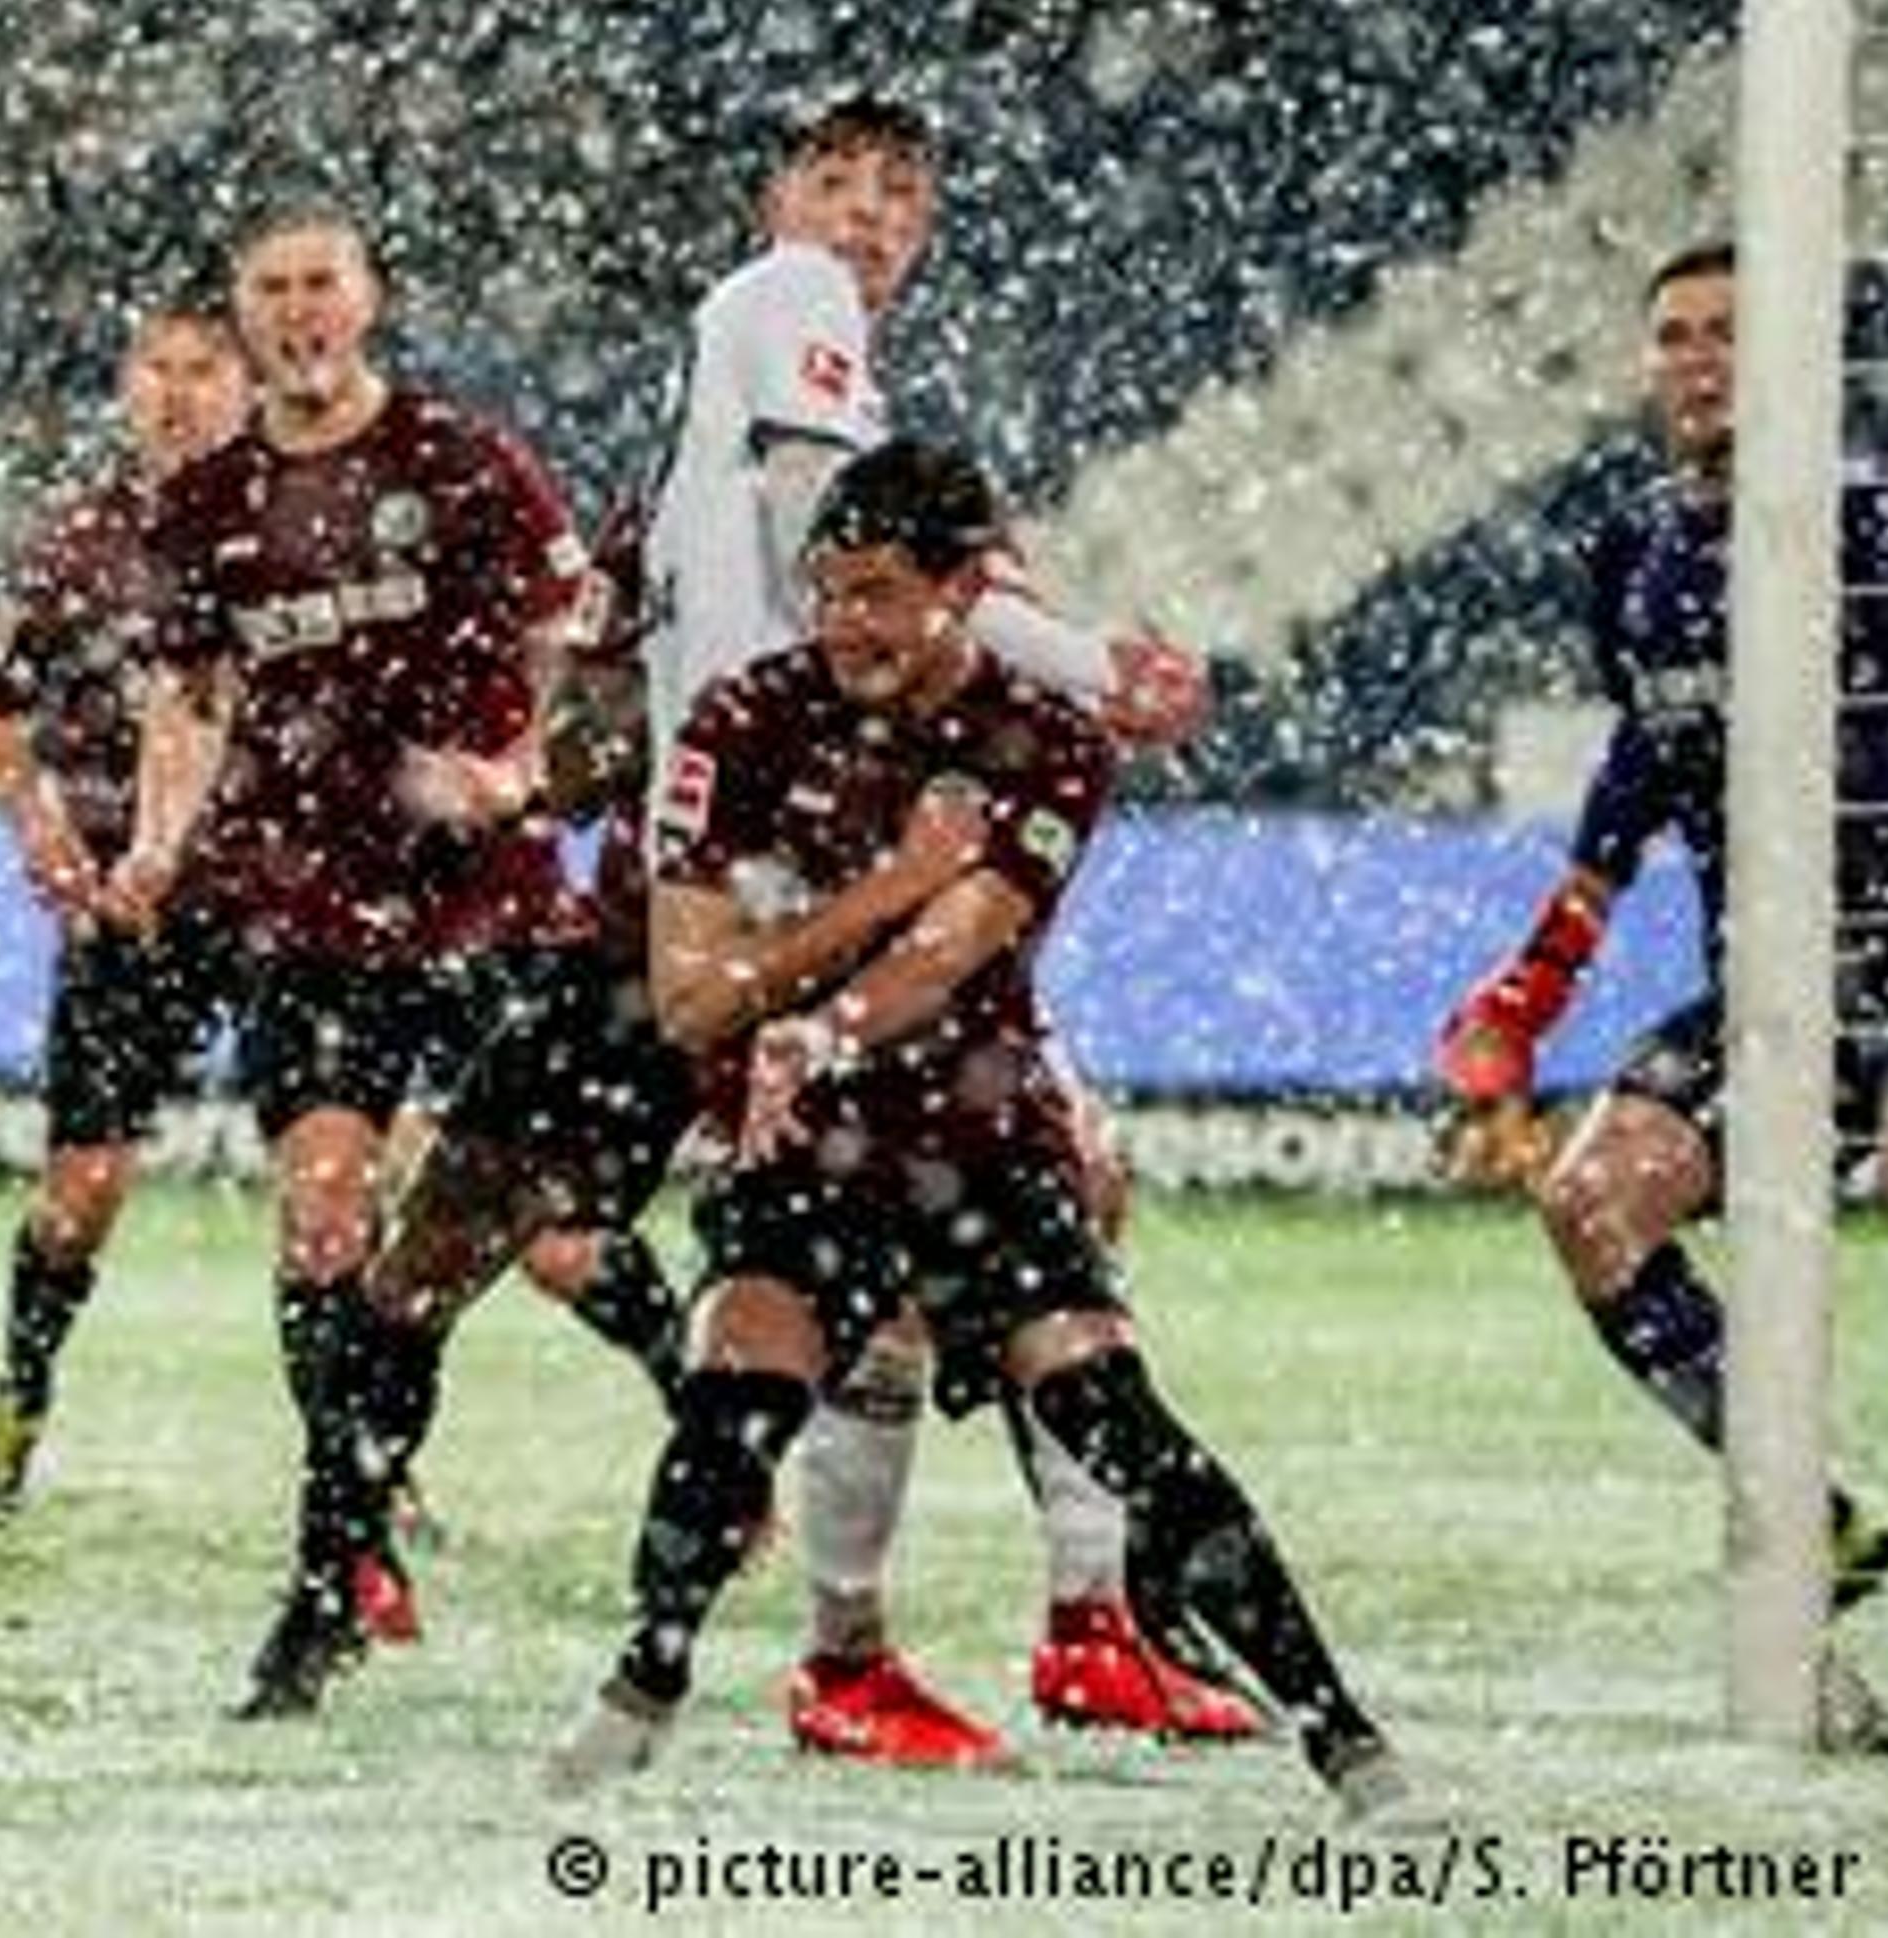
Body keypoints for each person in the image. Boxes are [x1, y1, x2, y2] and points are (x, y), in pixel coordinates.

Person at [545, 439, 1405, 1819]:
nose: (847, 624)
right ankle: (647, 1681)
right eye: (827, 589)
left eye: (881, 591)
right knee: (739, 1383)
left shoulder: (1050, 739)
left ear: (966, 587)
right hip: (806, 1128)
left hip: (973, 1123)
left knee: (1109, 1408)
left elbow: (958, 948)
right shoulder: (741, 718)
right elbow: (691, 990)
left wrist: (822, 1002)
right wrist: (887, 886)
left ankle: (1344, 1736)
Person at [641, 96, 1239, 1762]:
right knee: (1005, 1202)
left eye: (900, 188)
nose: (863, 213)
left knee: (911, 1242)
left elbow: (783, 559)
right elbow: (831, 539)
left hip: (774, 866)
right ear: (780, 201)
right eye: (835, 180)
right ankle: (1015, 1629)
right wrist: (1089, 663)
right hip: (802, 875)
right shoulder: (788, 302)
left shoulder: (749, 358)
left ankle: (986, 1630)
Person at [102, 207, 605, 1709]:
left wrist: (523, 771)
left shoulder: (465, 460)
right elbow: (188, 699)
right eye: (272, 288)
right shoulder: (207, 502)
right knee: (323, 1216)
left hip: (485, 907)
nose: (301, 309)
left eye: (323, 281)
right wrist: (157, 839)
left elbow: (571, 648)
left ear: (368, 299)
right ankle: (331, 1578)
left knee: (517, 1238)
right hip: (307, 908)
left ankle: (391, 1474)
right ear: (244, 316)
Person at [1433, 240, 1888, 1635]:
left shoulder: (1877, 529)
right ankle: (1814, 1512)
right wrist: (1534, 982)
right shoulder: (1636, 555)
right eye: (1676, 335)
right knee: (1593, 1201)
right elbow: (1644, 767)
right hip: (1767, 986)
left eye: (1729, 334)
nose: (1698, 360)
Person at [0, 302, 254, 1518]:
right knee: (80, 1195)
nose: (178, 393)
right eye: (159, 370)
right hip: (131, 918)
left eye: (203, 370)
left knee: (347, 1185)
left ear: (244, 383)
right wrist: (51, 846)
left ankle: (377, 1466)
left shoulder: (301, 525)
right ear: (129, 385)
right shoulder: (78, 544)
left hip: (285, 904)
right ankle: (21, 1399)